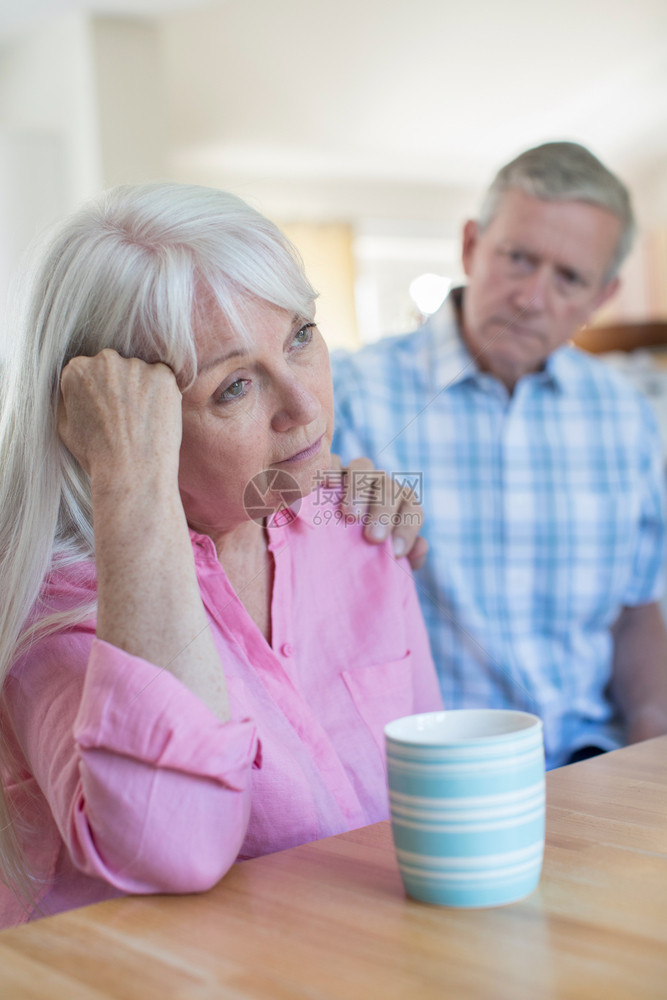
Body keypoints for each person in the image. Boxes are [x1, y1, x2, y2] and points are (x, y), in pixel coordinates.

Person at [0, 182, 442, 927]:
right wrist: (131, 485)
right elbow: (174, 845)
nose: (304, 407)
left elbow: (429, 782)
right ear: (119, 424)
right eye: (234, 386)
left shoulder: (354, 523)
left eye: (301, 335)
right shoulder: (57, 609)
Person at [332, 141, 667, 770]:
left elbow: (636, 612)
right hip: (416, 773)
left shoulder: (626, 419)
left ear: (602, 296)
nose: (532, 297)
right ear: (470, 246)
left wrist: (652, 749)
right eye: (518, 258)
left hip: (589, 765)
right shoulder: (346, 395)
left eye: (569, 278)